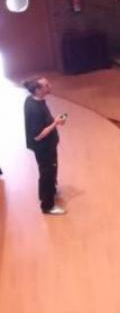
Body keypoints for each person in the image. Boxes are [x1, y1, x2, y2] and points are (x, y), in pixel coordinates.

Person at [24, 77, 66, 215]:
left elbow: (45, 120)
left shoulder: (34, 100)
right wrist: (56, 123)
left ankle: (50, 191)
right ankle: (47, 206)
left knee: (50, 171)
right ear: (38, 90)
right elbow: (37, 135)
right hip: (44, 149)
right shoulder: (34, 109)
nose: (50, 86)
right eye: (46, 85)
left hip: (49, 146)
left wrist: (54, 120)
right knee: (47, 174)